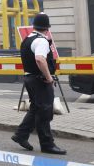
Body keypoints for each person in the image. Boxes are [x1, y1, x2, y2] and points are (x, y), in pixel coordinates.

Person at [11, 13, 66, 155]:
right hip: (39, 80)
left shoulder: (27, 39)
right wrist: (49, 77)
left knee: (36, 108)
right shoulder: (41, 41)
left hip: (29, 78)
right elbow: (40, 59)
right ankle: (47, 144)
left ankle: (21, 135)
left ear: (34, 26)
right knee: (45, 112)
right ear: (47, 28)